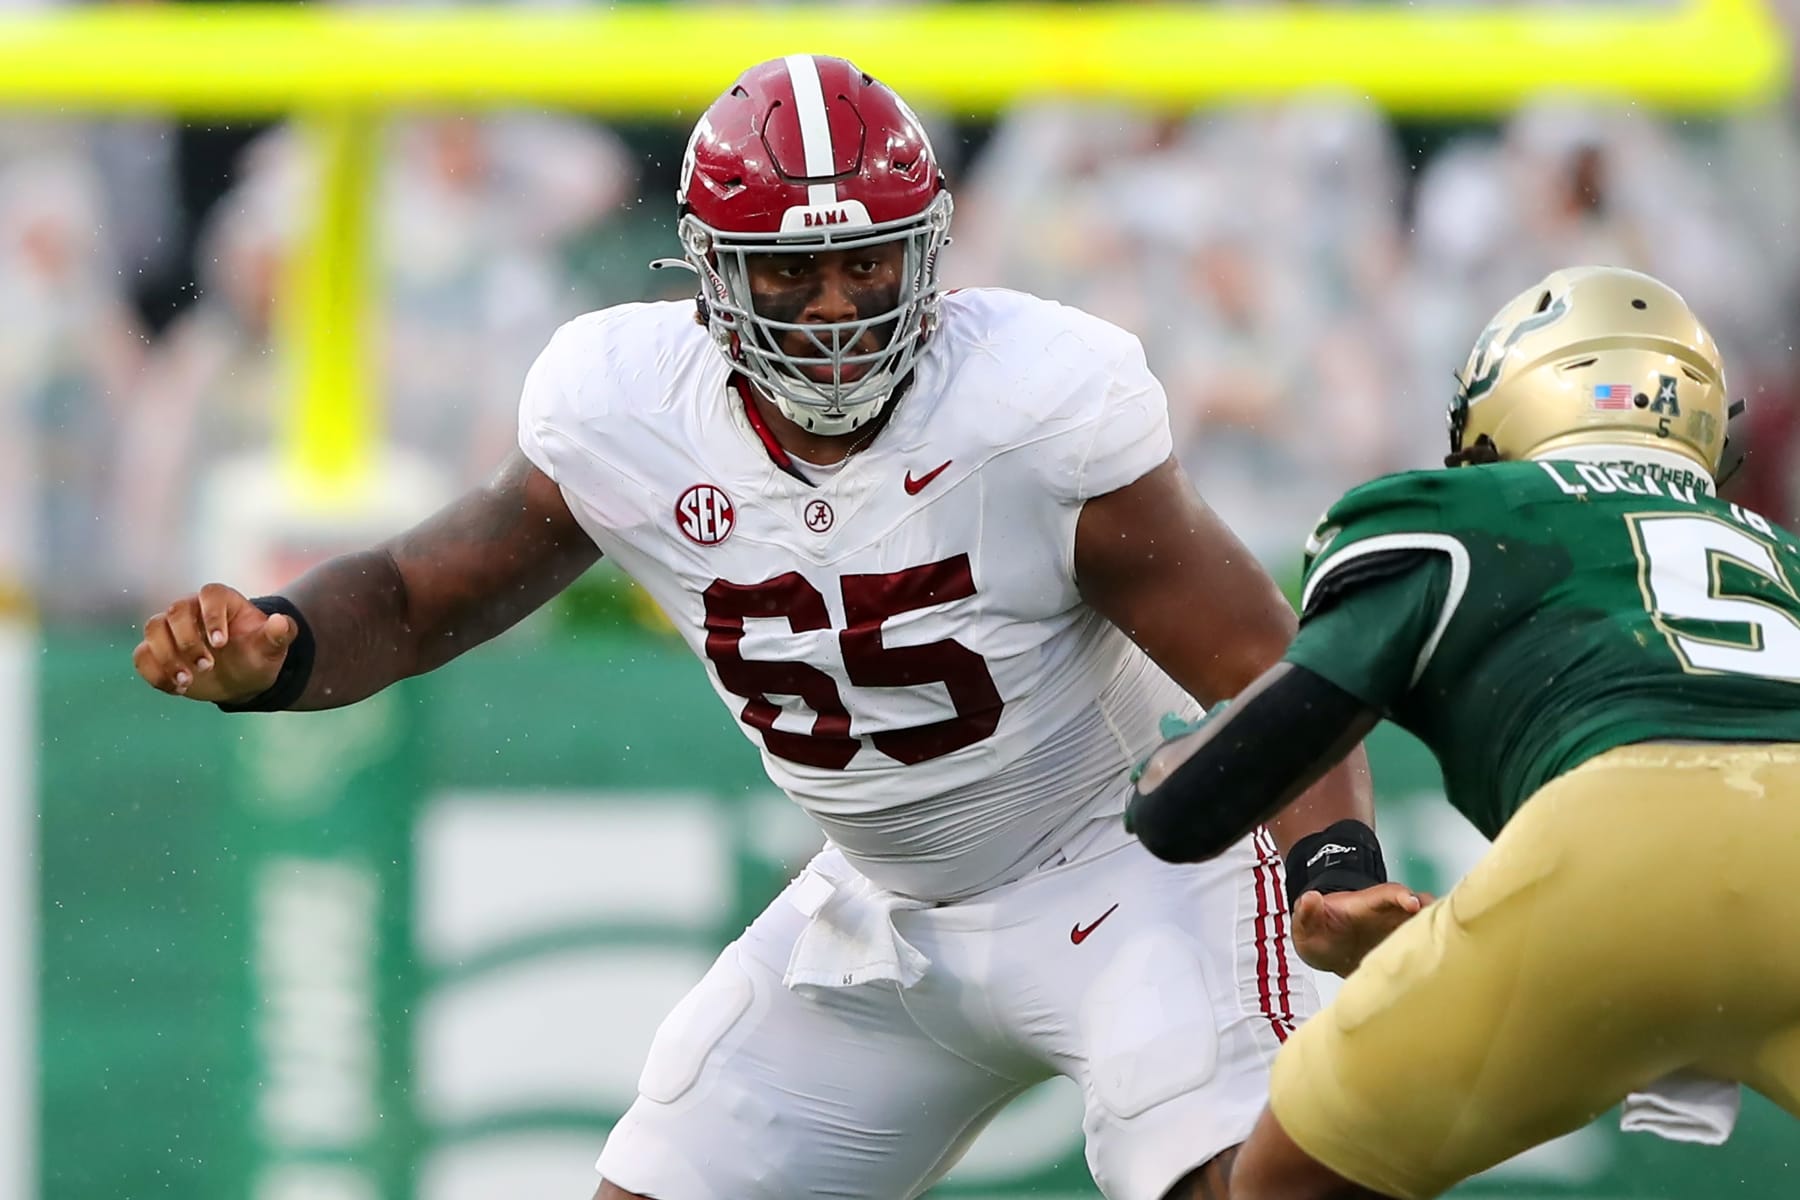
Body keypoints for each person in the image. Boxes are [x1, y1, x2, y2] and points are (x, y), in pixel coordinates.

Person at [133, 55, 1393, 1200]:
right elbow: (415, 598)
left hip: (1129, 877)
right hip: (883, 915)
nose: (838, 306)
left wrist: (1328, 865)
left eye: (868, 262)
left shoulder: (1032, 403)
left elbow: (1263, 666)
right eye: (790, 268)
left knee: (1243, 1191)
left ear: (929, 249)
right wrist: (282, 642)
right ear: (710, 274)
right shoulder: (626, 407)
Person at [1127, 264, 1800, 1200]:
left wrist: (1167, 774)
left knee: (1274, 1186)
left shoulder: (1465, 515)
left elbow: (1195, 804)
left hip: (1618, 848)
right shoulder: (1783, 556)